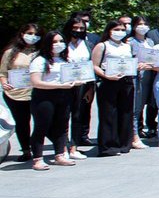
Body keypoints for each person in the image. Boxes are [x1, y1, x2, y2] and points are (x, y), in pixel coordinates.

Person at [28, 31, 81, 168]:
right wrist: (58, 85)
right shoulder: (40, 60)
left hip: (64, 96)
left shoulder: (66, 60)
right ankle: (38, 158)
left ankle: (59, 154)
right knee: (42, 127)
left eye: (61, 41)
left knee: (62, 126)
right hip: (44, 97)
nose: (58, 45)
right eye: (54, 42)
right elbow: (36, 82)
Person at [91, 20, 137, 156]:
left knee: (126, 113)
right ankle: (108, 146)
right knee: (109, 113)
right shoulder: (102, 46)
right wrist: (106, 76)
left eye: (122, 30)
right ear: (109, 31)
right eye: (116, 30)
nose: (120, 33)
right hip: (109, 82)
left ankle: (124, 144)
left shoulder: (127, 46)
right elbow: (94, 65)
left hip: (126, 81)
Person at [0, 23, 40, 163]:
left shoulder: (41, 52)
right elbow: (3, 72)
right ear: (22, 34)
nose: (32, 37)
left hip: (38, 92)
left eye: (36, 34)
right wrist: (4, 82)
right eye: (29, 33)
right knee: (22, 123)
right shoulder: (10, 53)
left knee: (42, 122)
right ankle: (26, 150)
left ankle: (38, 149)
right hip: (16, 94)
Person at [64, 16, 93, 153]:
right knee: (63, 117)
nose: (78, 30)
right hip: (63, 85)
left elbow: (91, 66)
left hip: (82, 85)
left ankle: (74, 147)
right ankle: (62, 146)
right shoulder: (62, 43)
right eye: (75, 28)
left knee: (77, 116)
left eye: (81, 28)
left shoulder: (86, 45)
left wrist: (90, 89)